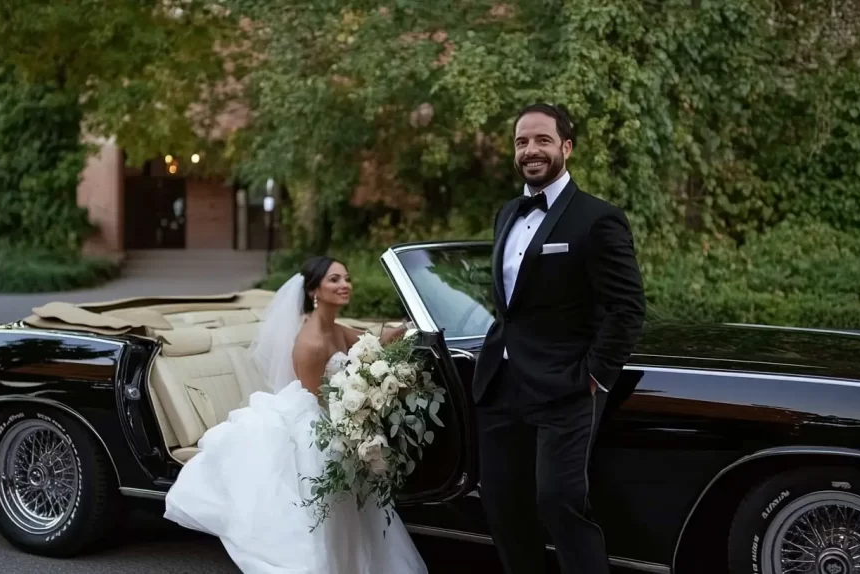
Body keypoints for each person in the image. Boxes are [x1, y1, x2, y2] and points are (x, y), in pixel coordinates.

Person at [163, 255, 426, 574]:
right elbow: (317, 399)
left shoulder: (335, 327)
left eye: (347, 278)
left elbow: (370, 344)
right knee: (329, 466)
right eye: (334, 280)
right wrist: (363, 416)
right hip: (316, 413)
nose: (345, 285)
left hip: (338, 407)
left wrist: (410, 326)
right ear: (315, 290)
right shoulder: (311, 343)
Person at [471, 103, 646, 574]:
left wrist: (594, 376)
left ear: (566, 148)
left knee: (561, 505)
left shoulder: (598, 218)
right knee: (504, 510)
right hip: (500, 386)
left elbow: (628, 308)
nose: (531, 150)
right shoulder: (507, 213)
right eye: (522, 141)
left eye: (542, 140)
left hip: (565, 388)